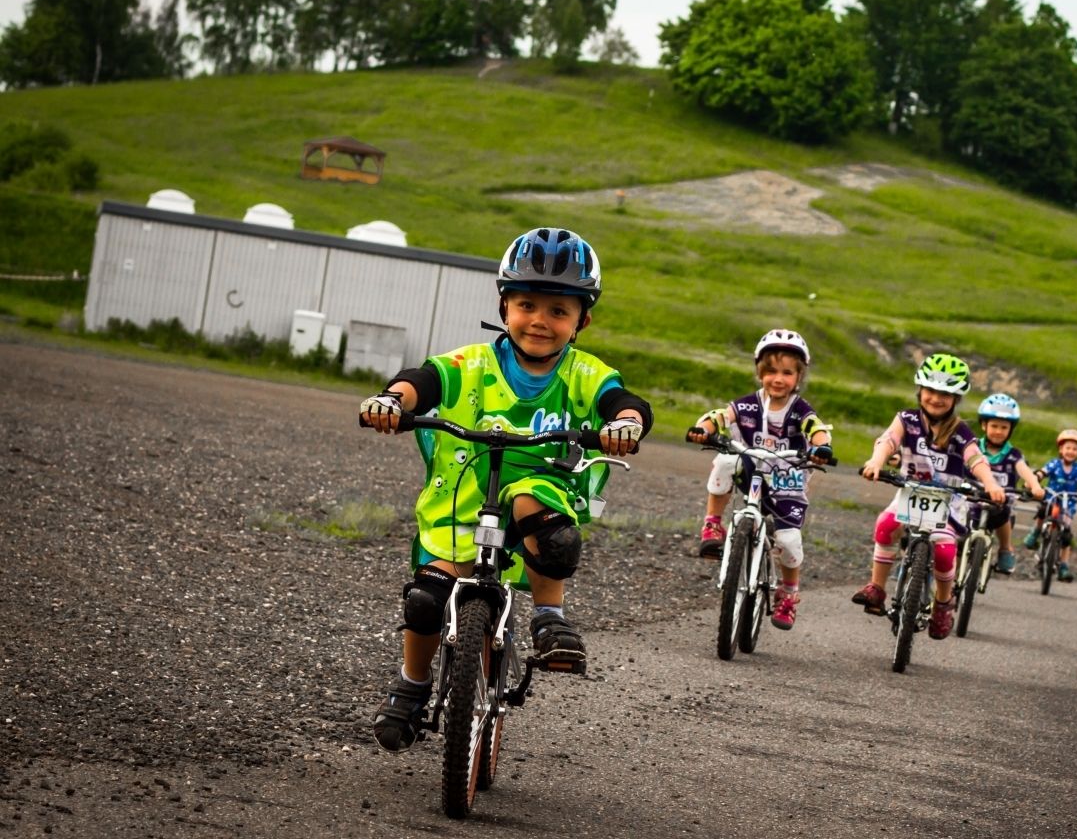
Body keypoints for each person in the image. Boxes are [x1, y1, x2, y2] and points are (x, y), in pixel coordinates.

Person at [359, 227, 653, 753]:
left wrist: (626, 423)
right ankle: (412, 685)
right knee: (426, 601)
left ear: (582, 320)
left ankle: (549, 618)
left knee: (532, 501)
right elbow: (423, 379)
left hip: (541, 497)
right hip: (463, 503)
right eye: (527, 305)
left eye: (559, 311)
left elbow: (622, 402)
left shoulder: (585, 374)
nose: (540, 320)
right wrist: (392, 401)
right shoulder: (472, 362)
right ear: (504, 305)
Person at [686, 329, 833, 630]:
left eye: (787, 373)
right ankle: (713, 524)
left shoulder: (799, 411)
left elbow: (818, 429)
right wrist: (703, 428)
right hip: (751, 471)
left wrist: (821, 447)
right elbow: (719, 416)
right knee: (726, 461)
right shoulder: (748, 405)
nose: (778, 379)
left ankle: (789, 594)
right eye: (771, 371)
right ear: (760, 372)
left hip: (787, 480)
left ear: (799, 376)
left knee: (789, 541)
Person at [856, 354, 1006, 640]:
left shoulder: (961, 432)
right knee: (885, 526)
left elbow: (976, 459)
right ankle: (876, 588)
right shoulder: (907, 419)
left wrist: (990, 484)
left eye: (945, 394)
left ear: (956, 398)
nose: (936, 398)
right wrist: (876, 461)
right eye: (931, 391)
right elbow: (887, 440)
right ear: (919, 391)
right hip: (910, 493)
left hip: (948, 503)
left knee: (945, 551)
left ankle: (943, 604)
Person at [973, 393, 1045, 575]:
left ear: (1011, 429)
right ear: (984, 425)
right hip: (970, 500)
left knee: (1003, 515)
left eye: (1004, 427)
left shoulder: (1014, 455)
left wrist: (1034, 485)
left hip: (1000, 504)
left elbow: (1025, 471)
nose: (998, 431)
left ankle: (1006, 548)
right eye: (994, 426)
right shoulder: (972, 447)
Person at [1025, 428, 1077, 582]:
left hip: (1067, 505)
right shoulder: (1054, 464)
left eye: (1075, 449)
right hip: (1051, 499)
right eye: (1068, 448)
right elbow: (1042, 472)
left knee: (1066, 537)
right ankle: (1035, 532)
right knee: (1042, 511)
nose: (1071, 451)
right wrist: (1035, 478)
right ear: (1061, 449)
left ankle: (1064, 565)